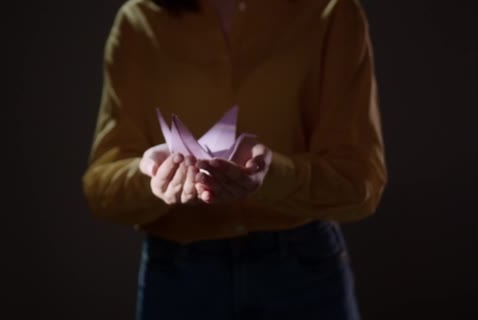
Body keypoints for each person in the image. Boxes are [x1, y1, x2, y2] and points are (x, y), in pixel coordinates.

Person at [82, 0, 387, 319]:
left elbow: (359, 182)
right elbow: (100, 191)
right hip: (179, 277)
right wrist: (150, 175)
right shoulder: (139, 21)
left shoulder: (332, 12)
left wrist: (271, 175)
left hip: (301, 272)